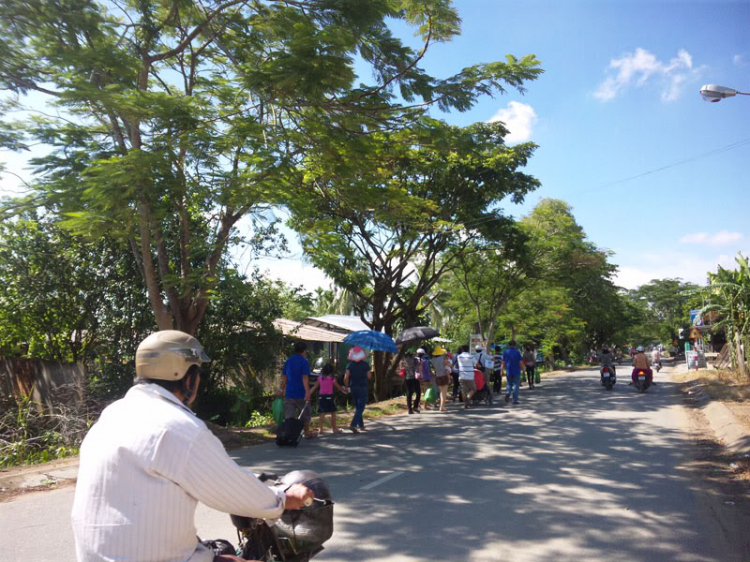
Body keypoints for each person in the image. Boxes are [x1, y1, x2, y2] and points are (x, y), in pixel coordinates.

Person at [71, 330, 313, 562]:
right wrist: (284, 498)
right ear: (188, 377)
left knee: (223, 553)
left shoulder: (113, 415)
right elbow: (232, 488)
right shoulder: (180, 428)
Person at [281, 341, 316, 439]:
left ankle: (288, 433)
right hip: (301, 393)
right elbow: (305, 378)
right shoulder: (304, 361)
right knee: (306, 413)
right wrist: (307, 392)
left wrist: (281, 389)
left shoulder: (288, 361)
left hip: (289, 393)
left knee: (289, 415)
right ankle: (307, 432)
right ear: (304, 351)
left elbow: (284, 377)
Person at [309, 363, 348, 433]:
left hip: (321, 397)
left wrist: (308, 393)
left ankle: (320, 429)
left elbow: (314, 387)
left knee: (322, 413)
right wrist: (344, 390)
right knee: (333, 412)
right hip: (329, 397)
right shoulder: (332, 379)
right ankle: (334, 428)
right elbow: (338, 387)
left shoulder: (320, 378)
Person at [344, 346, 372, 433]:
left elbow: (346, 378)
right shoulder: (365, 365)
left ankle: (361, 426)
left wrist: (346, 387)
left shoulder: (349, 365)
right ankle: (353, 424)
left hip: (353, 387)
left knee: (357, 407)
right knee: (361, 407)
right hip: (363, 387)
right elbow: (369, 376)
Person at [502, 340, 525, 405]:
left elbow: (503, 362)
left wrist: (501, 371)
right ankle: (514, 400)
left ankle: (508, 392)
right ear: (515, 345)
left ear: (509, 345)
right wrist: (523, 370)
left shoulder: (505, 352)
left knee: (509, 383)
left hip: (508, 370)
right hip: (516, 371)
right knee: (516, 385)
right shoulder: (517, 352)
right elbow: (520, 362)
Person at [431, 346, 450, 413]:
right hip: (444, 376)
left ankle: (443, 406)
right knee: (444, 393)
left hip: (437, 377)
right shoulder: (443, 358)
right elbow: (448, 364)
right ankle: (441, 407)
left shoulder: (433, 360)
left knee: (441, 392)